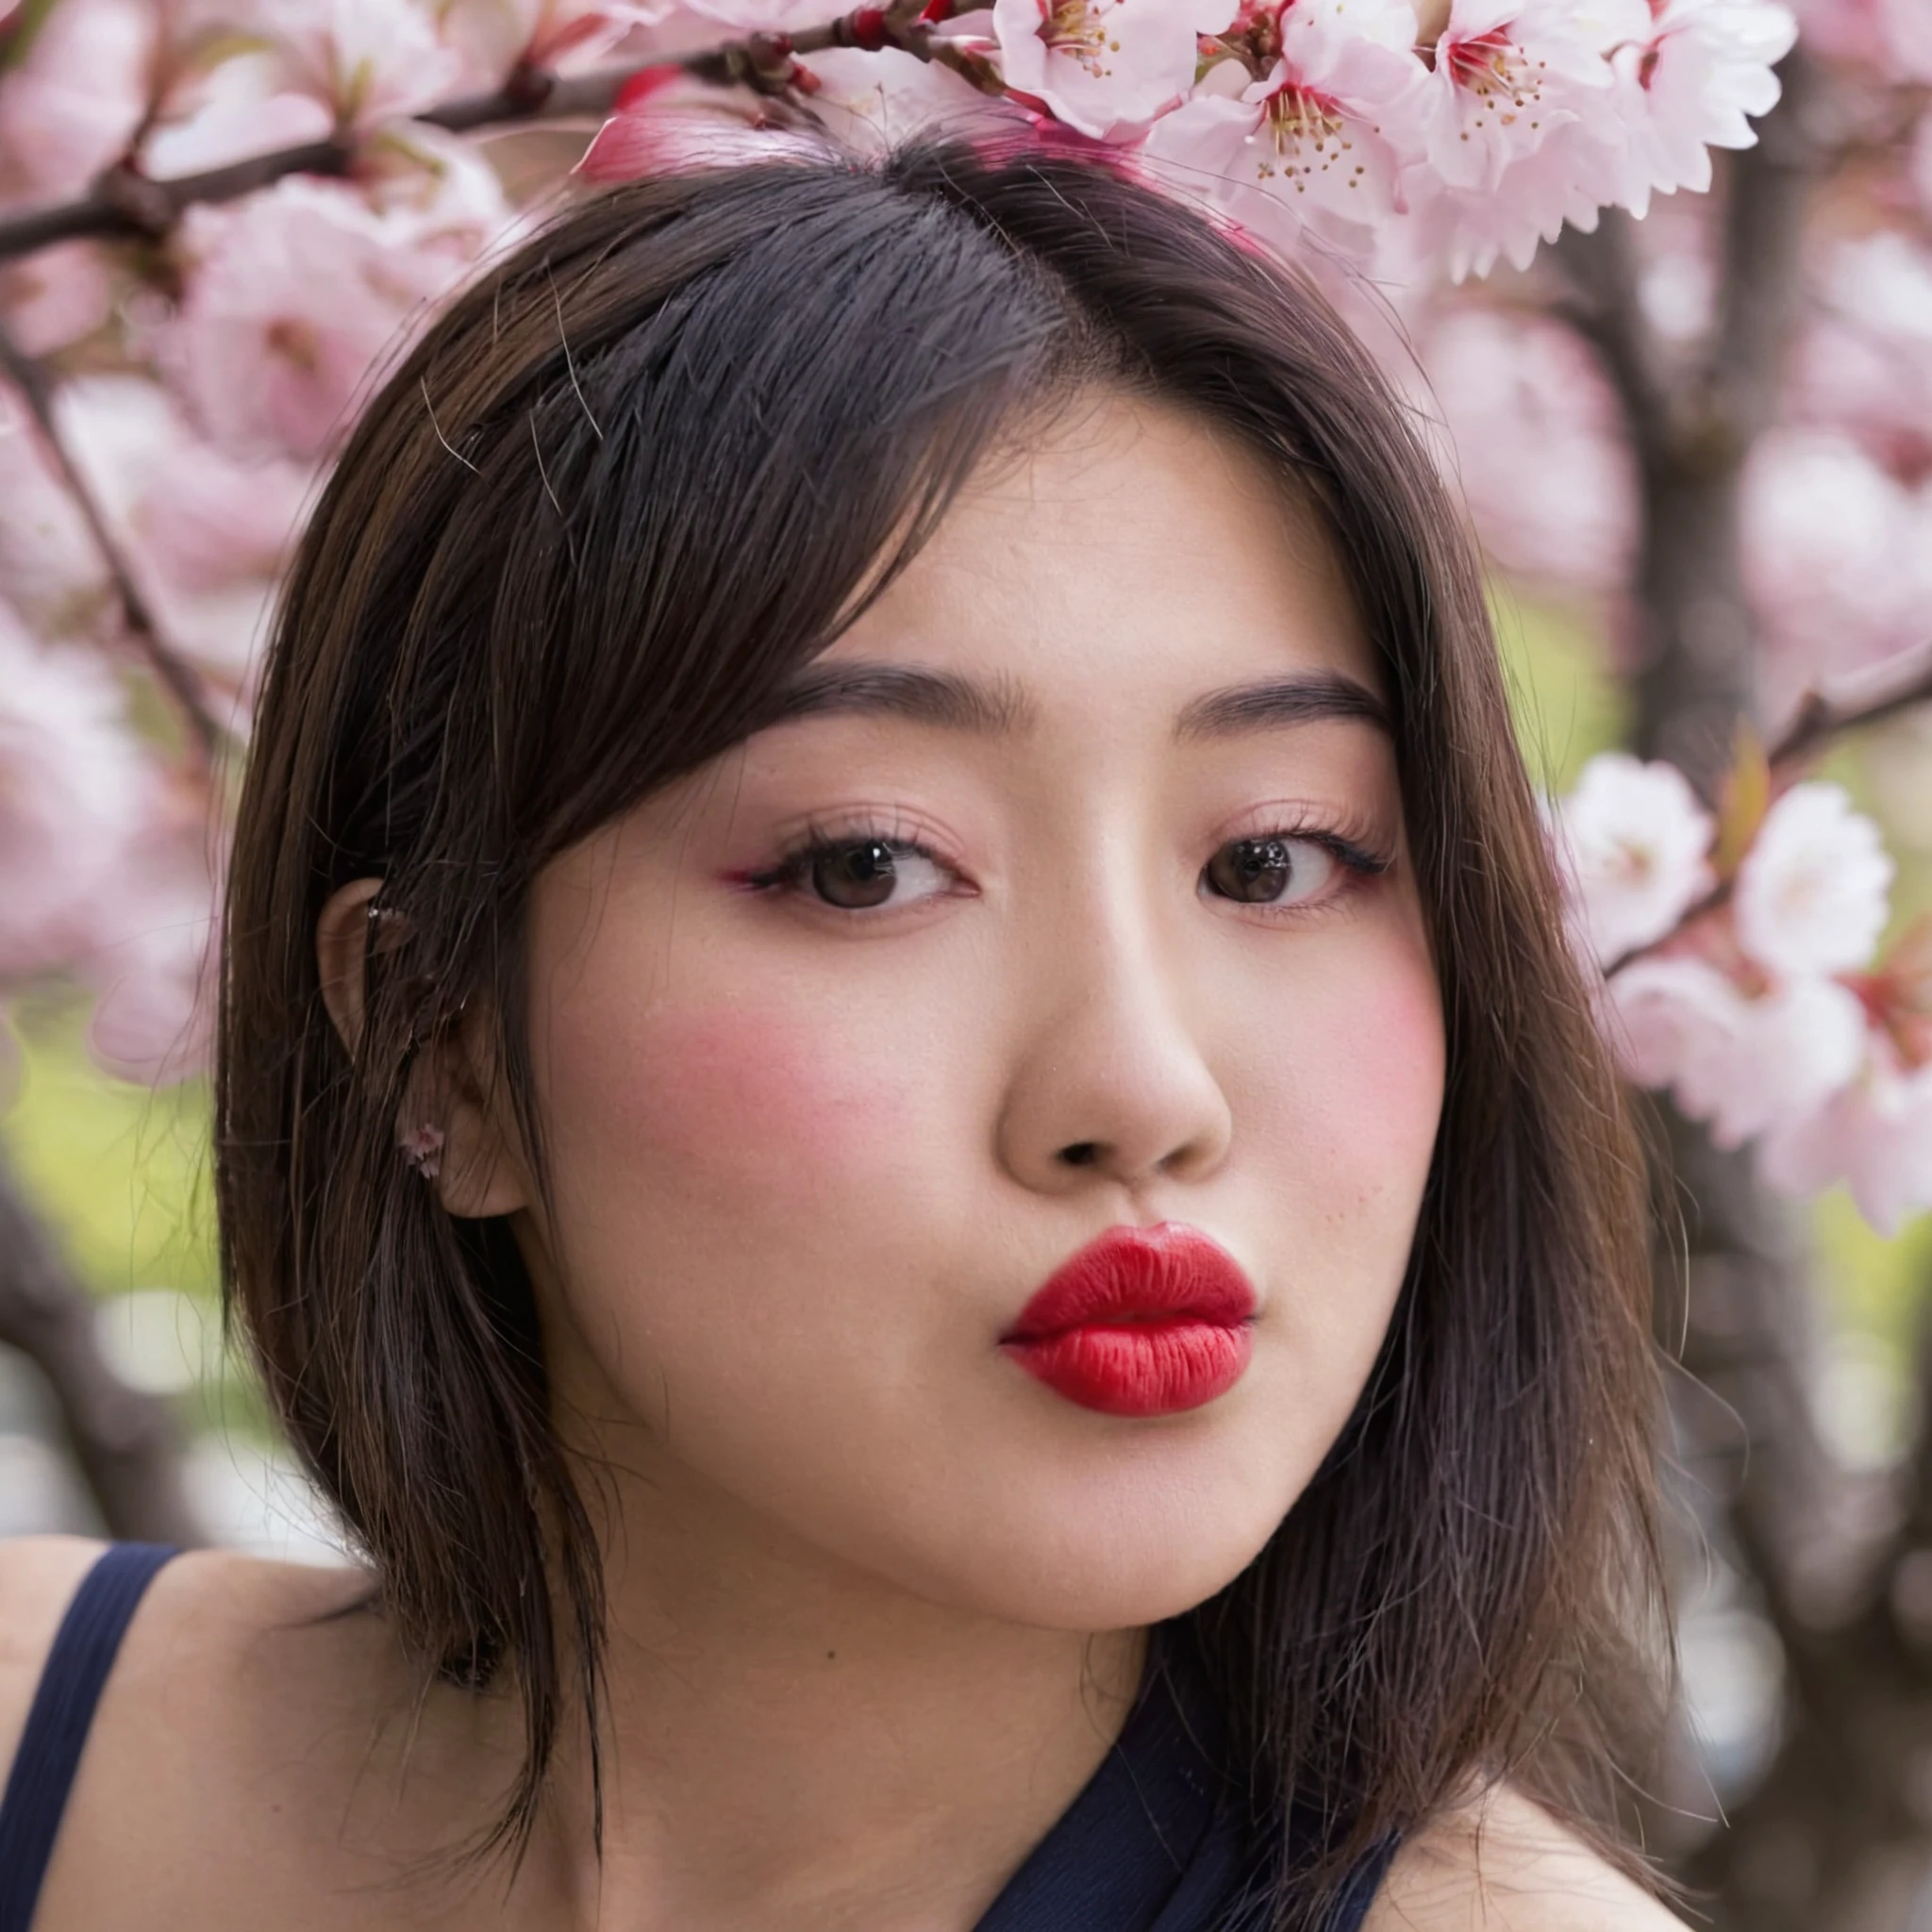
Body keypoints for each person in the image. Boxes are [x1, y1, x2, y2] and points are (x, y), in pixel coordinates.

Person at [0, 142, 1685, 1930]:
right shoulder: (48, 1744)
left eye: (1273, 859)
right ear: (444, 1041)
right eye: (867, 865)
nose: (1139, 1090)